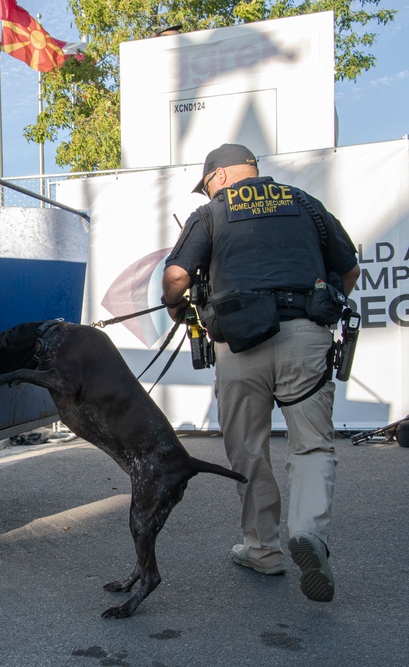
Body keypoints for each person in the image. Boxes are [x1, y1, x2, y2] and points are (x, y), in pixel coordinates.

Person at [161, 144, 360, 603]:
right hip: (304, 336)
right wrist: (323, 297)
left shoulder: (213, 212)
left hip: (239, 343)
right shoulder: (303, 203)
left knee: (248, 450)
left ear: (222, 177)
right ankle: (308, 532)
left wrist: (178, 308)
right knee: (311, 445)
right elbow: (347, 269)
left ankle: (263, 550)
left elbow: (175, 276)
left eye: (207, 182)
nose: (208, 190)